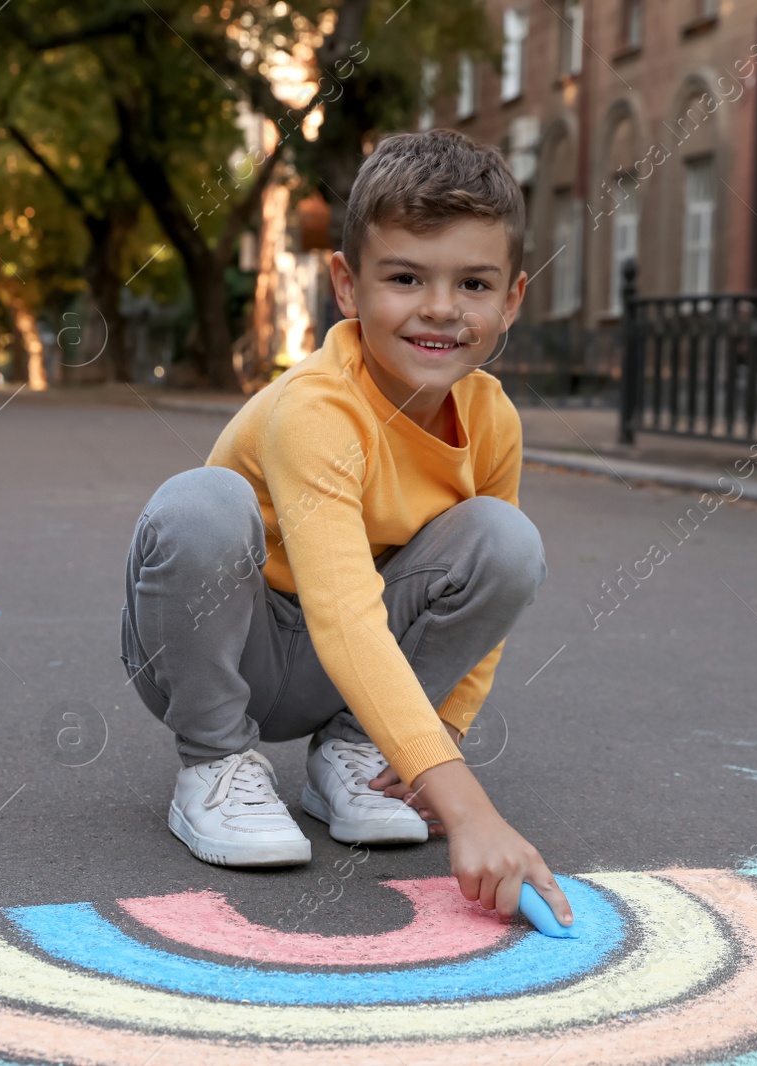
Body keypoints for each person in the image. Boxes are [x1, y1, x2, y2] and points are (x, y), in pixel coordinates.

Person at [119, 128, 572, 927]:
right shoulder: (317, 408)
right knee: (202, 505)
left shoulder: (492, 418)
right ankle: (214, 765)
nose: (440, 308)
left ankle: (358, 756)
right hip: (230, 643)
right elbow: (341, 608)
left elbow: (480, 600)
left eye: (473, 283)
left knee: (507, 540)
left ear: (512, 300)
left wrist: (430, 745)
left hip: (347, 672)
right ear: (348, 285)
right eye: (404, 277)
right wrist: (465, 806)